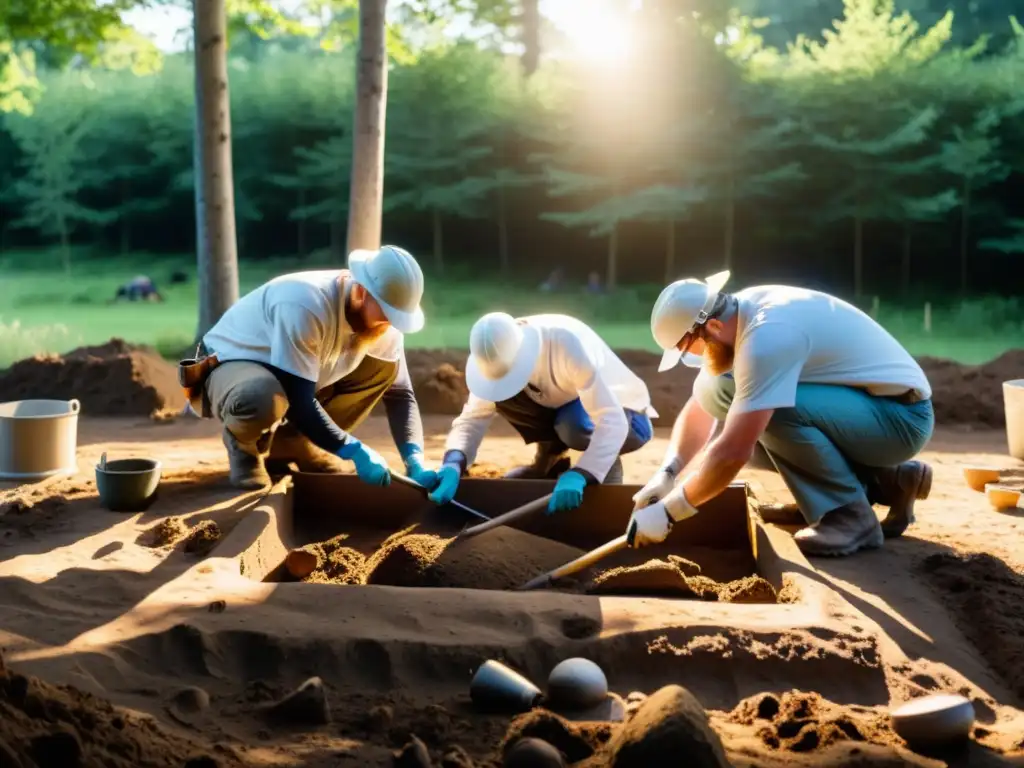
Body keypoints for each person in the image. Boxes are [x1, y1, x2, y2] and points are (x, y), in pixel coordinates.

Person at [626, 271, 934, 557]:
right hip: (862, 408)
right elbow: (700, 407)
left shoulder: (767, 338)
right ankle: (885, 482)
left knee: (769, 412)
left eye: (686, 347)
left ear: (713, 327)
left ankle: (847, 513)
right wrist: (668, 472)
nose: (688, 357)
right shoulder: (739, 314)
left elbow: (732, 453)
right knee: (719, 386)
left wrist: (670, 511)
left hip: (900, 418)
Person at [194, 245, 442, 493]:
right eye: (386, 313)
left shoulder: (384, 325)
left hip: (290, 375)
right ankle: (244, 446)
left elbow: (400, 395)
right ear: (360, 292)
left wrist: (415, 460)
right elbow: (300, 401)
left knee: (382, 371)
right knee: (260, 395)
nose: (389, 323)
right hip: (229, 362)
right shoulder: (304, 302)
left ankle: (295, 442)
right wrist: (353, 449)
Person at [428, 313, 657, 515]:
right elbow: (472, 419)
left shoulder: (565, 346)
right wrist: (453, 462)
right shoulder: (493, 358)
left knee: (572, 425)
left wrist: (583, 472)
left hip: (629, 418)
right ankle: (547, 465)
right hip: (568, 405)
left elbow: (612, 419)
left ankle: (607, 475)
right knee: (509, 398)